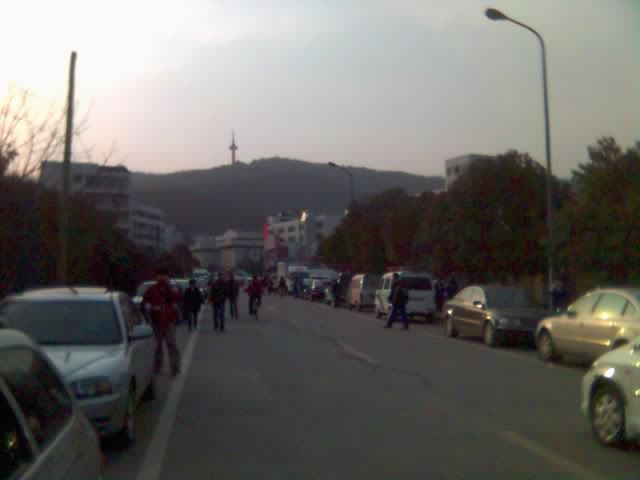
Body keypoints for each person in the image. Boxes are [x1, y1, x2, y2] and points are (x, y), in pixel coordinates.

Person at [143, 267, 183, 376]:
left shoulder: (172, 288)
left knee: (172, 344)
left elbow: (178, 298)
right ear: (156, 277)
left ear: (168, 277)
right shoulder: (151, 290)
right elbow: (145, 302)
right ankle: (157, 366)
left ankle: (175, 367)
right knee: (157, 346)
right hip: (156, 322)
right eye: (160, 275)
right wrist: (149, 307)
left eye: (164, 275)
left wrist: (170, 289)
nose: (162, 278)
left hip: (169, 321)